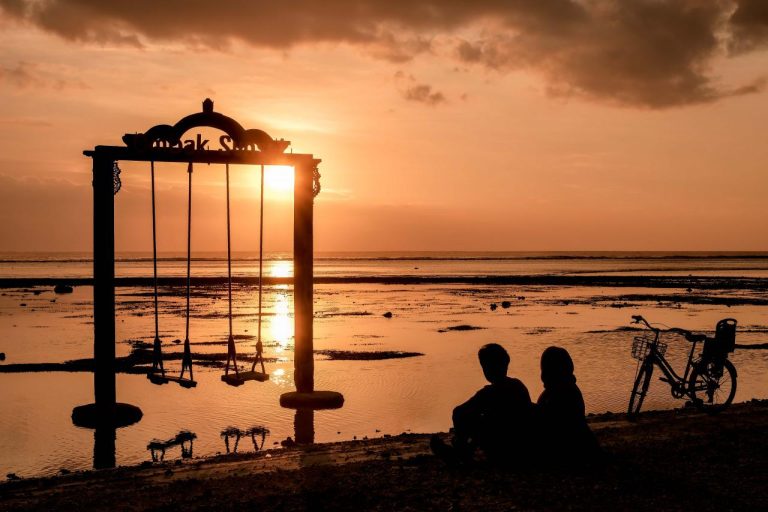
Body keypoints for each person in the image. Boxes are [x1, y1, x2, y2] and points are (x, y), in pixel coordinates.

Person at [431, 343, 535, 463]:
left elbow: (459, 412)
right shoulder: (518, 385)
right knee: (487, 418)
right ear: (506, 364)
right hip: (523, 446)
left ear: (486, 369)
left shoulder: (488, 393)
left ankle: (461, 451)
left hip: (502, 450)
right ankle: (464, 450)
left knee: (471, 417)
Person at [536, 346, 600, 465]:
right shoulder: (566, 388)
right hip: (581, 444)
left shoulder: (561, 392)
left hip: (568, 448)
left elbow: (551, 423)